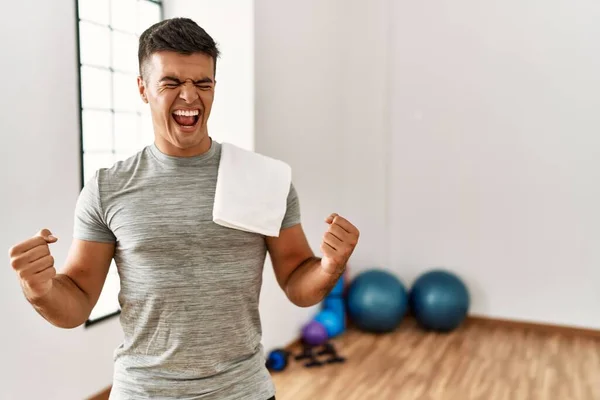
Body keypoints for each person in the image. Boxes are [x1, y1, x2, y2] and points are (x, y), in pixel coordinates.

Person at [7, 18, 359, 400]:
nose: (189, 96)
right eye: (172, 83)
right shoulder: (108, 188)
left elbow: (296, 281)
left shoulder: (265, 179)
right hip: (143, 391)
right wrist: (40, 288)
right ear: (143, 89)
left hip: (243, 391)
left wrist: (328, 267)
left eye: (202, 83)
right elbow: (75, 303)